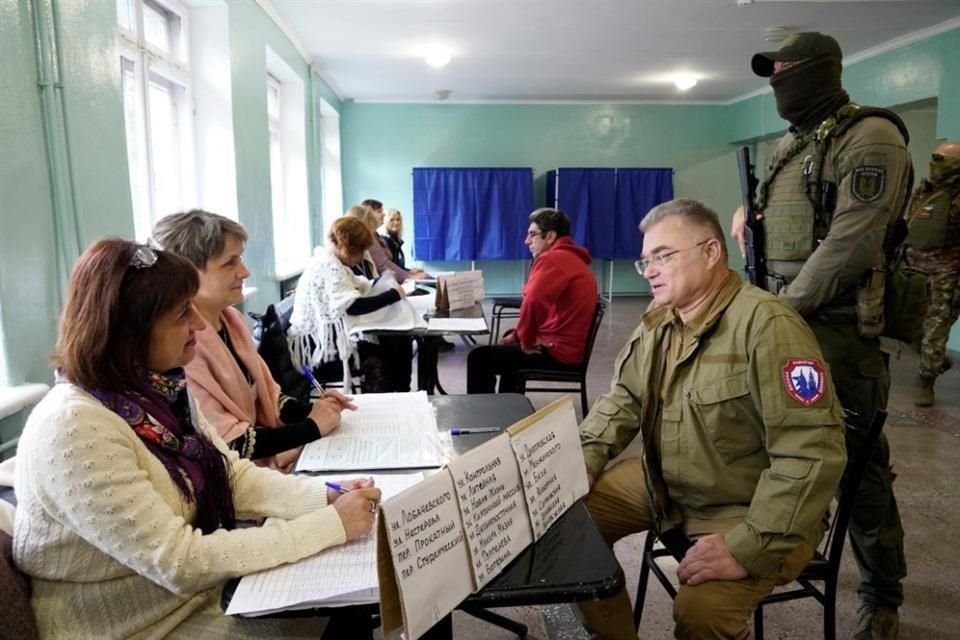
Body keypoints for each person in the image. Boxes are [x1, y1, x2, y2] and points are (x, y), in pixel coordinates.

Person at [13, 238, 381, 639]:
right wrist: (328, 525)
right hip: (134, 626)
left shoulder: (158, 388)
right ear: (129, 332)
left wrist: (322, 496)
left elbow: (232, 475)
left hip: (190, 599)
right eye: (180, 314)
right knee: (336, 615)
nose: (201, 325)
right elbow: (179, 561)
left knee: (345, 609)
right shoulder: (74, 429)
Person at [577, 199, 846, 640]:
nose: (650, 270)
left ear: (712, 252)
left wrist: (749, 545)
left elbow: (810, 455)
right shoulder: (660, 322)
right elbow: (624, 398)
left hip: (746, 505)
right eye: (646, 260)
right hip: (667, 484)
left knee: (703, 612)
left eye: (664, 255)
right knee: (572, 526)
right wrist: (585, 460)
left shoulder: (768, 327)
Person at [731, 32, 911, 639]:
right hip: (787, 321)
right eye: (771, 70)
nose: (777, 78)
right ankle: (788, 546)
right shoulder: (791, 145)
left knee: (860, 470)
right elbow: (788, 222)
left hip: (834, 330)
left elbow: (853, 242)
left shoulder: (872, 137)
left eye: (786, 69)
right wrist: (749, 217)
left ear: (821, 71)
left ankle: (882, 594)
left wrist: (781, 311)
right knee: (778, 448)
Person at [151, 210, 354, 471]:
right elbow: (226, 442)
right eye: (229, 263)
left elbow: (268, 394)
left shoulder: (231, 319)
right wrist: (311, 426)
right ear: (188, 272)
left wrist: (313, 410)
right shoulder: (182, 345)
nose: (245, 272)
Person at [466, 208, 598, 393]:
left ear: (550, 236)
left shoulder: (553, 259)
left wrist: (526, 341)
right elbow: (540, 306)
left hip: (558, 352)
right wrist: (518, 336)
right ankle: (508, 411)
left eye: (532, 234)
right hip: (568, 347)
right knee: (509, 350)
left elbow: (533, 301)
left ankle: (480, 417)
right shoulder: (572, 258)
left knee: (479, 358)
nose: (527, 241)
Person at [288, 217, 412, 392]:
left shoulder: (333, 261)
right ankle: (386, 403)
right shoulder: (327, 266)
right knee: (383, 356)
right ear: (348, 248)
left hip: (326, 339)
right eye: (360, 251)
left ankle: (401, 395)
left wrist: (384, 283)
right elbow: (353, 306)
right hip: (317, 350)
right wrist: (393, 295)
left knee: (398, 342)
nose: (362, 257)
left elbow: (359, 287)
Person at [903, 141, 960, 406]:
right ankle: (934, 360)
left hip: (945, 275)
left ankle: (927, 382)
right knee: (913, 330)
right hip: (913, 272)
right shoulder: (922, 192)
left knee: (935, 330)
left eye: (942, 159)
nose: (935, 163)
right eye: (934, 157)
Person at [356, 201, 426, 283]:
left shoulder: (376, 236)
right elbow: (383, 265)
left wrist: (408, 272)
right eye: (379, 211)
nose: (383, 214)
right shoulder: (371, 238)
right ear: (368, 214)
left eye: (398, 219)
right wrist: (409, 276)